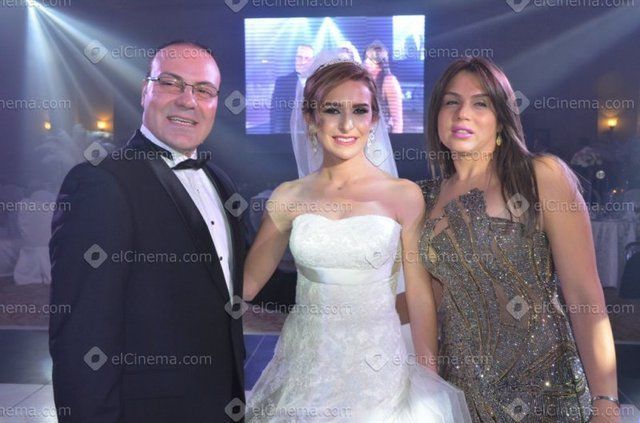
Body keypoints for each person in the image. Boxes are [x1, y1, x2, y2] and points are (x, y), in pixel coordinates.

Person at [243, 54, 471, 422]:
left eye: (360, 110)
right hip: (305, 369)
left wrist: (428, 378)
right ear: (310, 118)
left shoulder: (404, 195)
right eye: (332, 110)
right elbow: (245, 286)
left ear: (374, 119)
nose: (347, 124)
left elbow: (418, 296)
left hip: (379, 373)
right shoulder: (288, 197)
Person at [49, 41, 246, 422]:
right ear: (145, 91)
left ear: (215, 103)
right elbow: (81, 335)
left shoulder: (222, 183)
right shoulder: (99, 183)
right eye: (171, 83)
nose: (188, 101)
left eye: (203, 90)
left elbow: (243, 278)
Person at [417, 57, 619, 422]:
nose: (463, 113)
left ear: (501, 118)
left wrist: (605, 401)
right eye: (451, 102)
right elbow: (429, 301)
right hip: (462, 397)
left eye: (480, 103)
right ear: (436, 115)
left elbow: (584, 295)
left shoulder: (539, 176)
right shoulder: (426, 199)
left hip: (545, 392)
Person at [269, 44, 314, 133]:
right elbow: (277, 115)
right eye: (299, 57)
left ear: (312, 61)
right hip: (288, 135)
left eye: (307, 58)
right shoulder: (282, 82)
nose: (302, 62)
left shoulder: (320, 82)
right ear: (295, 59)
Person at [364, 41, 404, 133]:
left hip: (383, 134)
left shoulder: (389, 82)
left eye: (370, 59)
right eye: (366, 58)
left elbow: (397, 121)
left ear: (380, 65)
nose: (366, 62)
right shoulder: (363, 81)